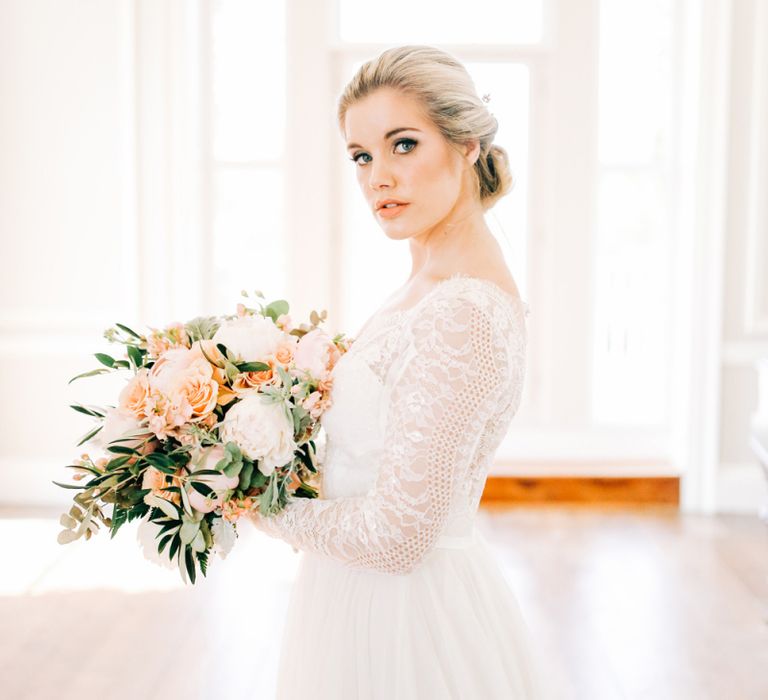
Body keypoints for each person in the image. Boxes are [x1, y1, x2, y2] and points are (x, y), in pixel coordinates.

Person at [249, 44, 549, 699]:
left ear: (466, 144)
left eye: (403, 145)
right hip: (355, 598)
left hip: (407, 626)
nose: (377, 176)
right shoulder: (427, 281)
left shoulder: (462, 309)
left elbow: (399, 536)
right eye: (361, 156)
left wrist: (255, 506)